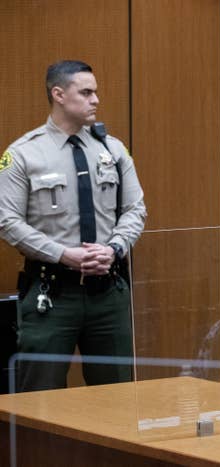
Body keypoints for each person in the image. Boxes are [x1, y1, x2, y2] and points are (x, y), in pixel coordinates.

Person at [0, 60, 146, 391]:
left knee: (118, 395)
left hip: (108, 292)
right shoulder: (23, 154)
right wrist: (63, 255)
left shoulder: (112, 149)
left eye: (96, 92)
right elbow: (6, 221)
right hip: (52, 294)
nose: (96, 100)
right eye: (86, 92)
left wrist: (115, 248)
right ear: (59, 94)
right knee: (40, 397)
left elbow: (135, 208)